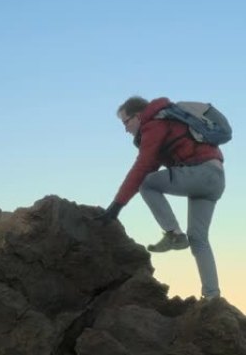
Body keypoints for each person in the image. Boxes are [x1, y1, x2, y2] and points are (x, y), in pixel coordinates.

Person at [96, 95, 226, 299]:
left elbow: (141, 169)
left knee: (146, 182)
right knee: (199, 240)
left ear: (138, 116)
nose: (125, 129)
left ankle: (173, 234)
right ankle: (212, 297)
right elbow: (151, 164)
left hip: (199, 173)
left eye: (126, 122)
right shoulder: (167, 121)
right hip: (215, 179)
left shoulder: (155, 123)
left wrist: (116, 206)